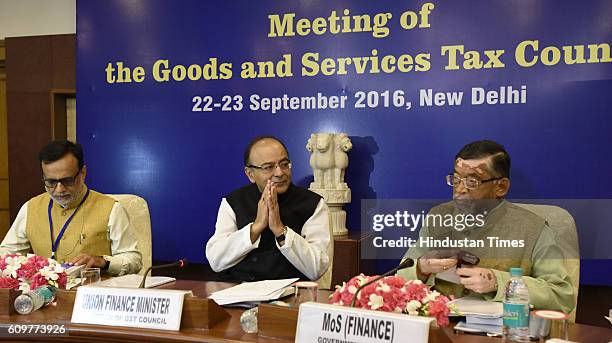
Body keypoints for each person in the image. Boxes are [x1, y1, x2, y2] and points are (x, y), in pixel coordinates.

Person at [397, 140, 575, 313]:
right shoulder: (439, 216)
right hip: (441, 327)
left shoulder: (533, 229)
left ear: (501, 187)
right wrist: (422, 269)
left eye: (472, 181)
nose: (460, 190)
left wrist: (497, 282)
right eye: (457, 179)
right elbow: (398, 280)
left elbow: (561, 296)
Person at [0, 140, 142, 275]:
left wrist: (103, 262)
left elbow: (134, 260)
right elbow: (7, 253)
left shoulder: (112, 209)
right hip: (43, 295)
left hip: (93, 292)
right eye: (51, 182)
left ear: (83, 173)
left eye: (67, 180)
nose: (59, 189)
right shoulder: (30, 208)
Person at [206, 136, 330, 282]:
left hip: (288, 297)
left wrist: (280, 230)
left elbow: (317, 268)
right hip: (235, 291)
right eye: (268, 167)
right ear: (250, 174)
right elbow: (216, 260)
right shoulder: (233, 201)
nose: (279, 173)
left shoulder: (312, 204)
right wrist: (256, 227)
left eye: (284, 164)